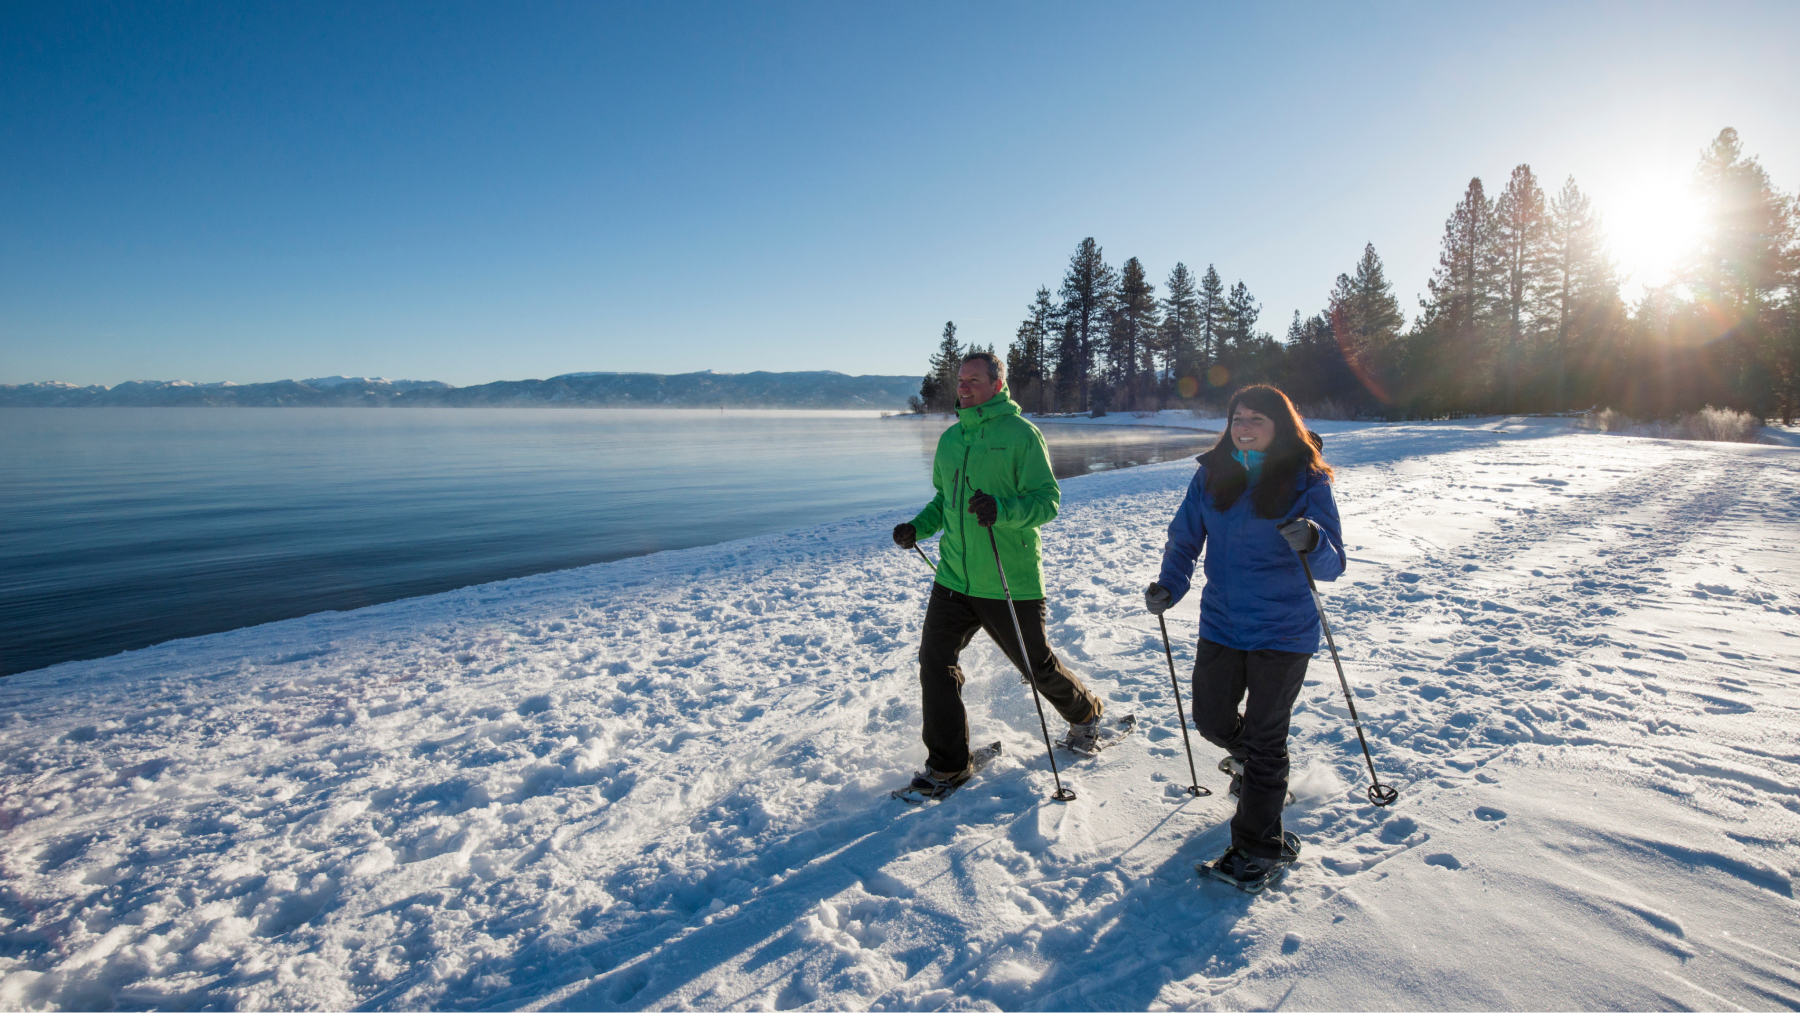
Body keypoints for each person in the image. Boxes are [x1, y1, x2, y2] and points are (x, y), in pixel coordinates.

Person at [1144, 384, 1345, 887]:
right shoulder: (1213, 474)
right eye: (1237, 418)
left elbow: (1334, 563)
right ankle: (1258, 775)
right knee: (1211, 718)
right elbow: (1185, 536)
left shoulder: (1306, 478)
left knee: (1265, 737)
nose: (1245, 426)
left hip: (1283, 629)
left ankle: (1260, 847)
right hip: (1223, 622)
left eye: (1256, 418)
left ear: (1281, 424)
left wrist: (1314, 540)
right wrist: (1170, 585)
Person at [891, 352, 1105, 799]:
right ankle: (948, 765)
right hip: (953, 577)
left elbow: (1048, 502)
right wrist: (919, 528)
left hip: (1009, 578)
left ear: (996, 383)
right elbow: (943, 503)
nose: (964, 387)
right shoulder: (951, 440)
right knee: (935, 663)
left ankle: (1085, 716)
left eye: (973, 380)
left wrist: (1002, 510)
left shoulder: (1022, 435)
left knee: (1036, 667)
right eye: (961, 380)